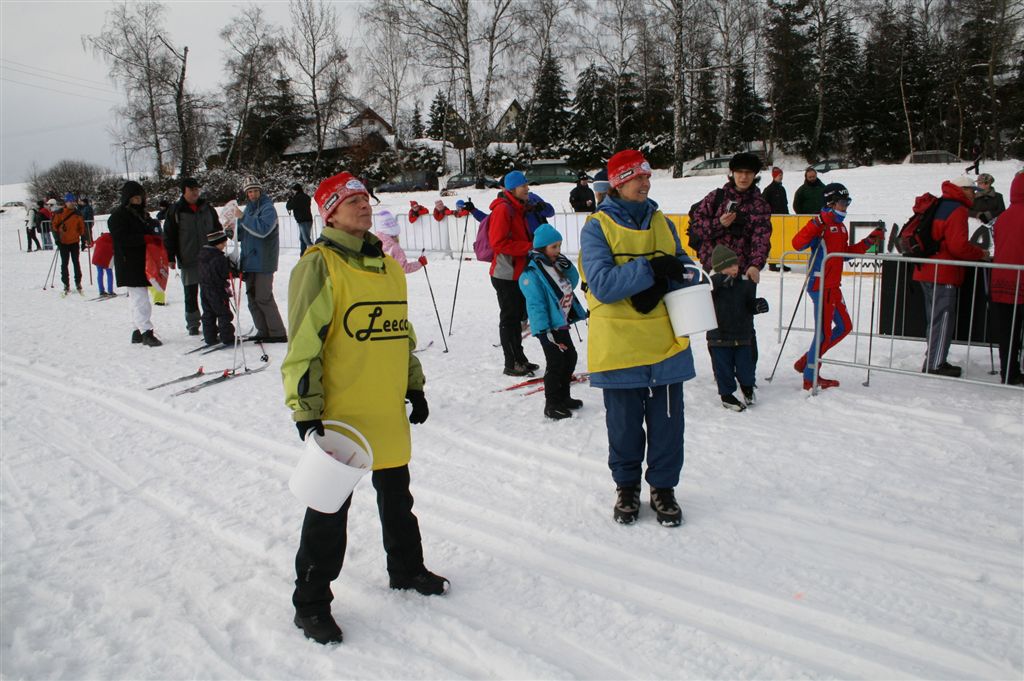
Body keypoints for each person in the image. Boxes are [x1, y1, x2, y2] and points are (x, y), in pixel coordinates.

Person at [281, 171, 448, 646]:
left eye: (364, 199)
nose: (363, 206)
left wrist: (414, 385)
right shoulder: (318, 265)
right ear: (329, 212)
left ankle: (406, 569)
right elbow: (303, 345)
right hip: (341, 412)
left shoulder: (388, 266)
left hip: (385, 407)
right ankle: (311, 603)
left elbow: (400, 332)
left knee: (398, 498)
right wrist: (305, 408)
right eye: (350, 200)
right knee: (328, 511)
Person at [578, 149, 699, 528]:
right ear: (618, 183)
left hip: (666, 341)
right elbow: (602, 284)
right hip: (618, 344)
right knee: (625, 426)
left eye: (647, 176)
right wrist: (651, 269)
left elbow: (682, 266)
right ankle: (627, 487)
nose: (646, 183)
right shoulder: (596, 227)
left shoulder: (662, 221)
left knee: (668, 426)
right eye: (637, 177)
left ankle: (663, 488)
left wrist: (675, 274)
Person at [791, 183, 884, 389]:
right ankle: (810, 377)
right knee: (824, 334)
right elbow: (797, 244)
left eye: (848, 202)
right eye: (842, 202)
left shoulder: (841, 227)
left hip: (833, 286)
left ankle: (806, 361)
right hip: (820, 285)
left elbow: (844, 255)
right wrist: (817, 222)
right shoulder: (821, 223)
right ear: (831, 203)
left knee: (844, 327)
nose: (845, 207)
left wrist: (869, 241)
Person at [688, 152, 772, 368]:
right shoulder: (715, 197)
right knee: (716, 324)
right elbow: (697, 228)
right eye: (739, 172)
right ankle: (722, 374)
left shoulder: (760, 205)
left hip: (743, 273)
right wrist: (720, 224)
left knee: (745, 325)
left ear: (755, 175)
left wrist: (755, 265)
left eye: (748, 173)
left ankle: (747, 375)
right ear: (732, 173)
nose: (743, 177)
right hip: (714, 271)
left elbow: (762, 238)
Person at [913, 175, 988, 377]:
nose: (974, 194)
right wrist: (979, 253)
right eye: (972, 190)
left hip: (926, 269)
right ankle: (935, 363)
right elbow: (958, 246)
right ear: (963, 190)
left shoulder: (939, 204)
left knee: (934, 319)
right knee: (943, 319)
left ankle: (933, 358)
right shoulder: (957, 209)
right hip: (943, 272)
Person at [519, 223, 588, 420]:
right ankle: (552, 404)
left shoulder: (554, 265)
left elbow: (570, 283)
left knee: (570, 357)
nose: (558, 250)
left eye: (559, 246)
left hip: (561, 322)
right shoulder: (532, 274)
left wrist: (568, 267)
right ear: (542, 248)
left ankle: (564, 397)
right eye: (554, 247)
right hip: (549, 327)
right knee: (556, 362)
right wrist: (543, 331)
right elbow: (536, 305)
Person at [489, 170, 540, 376]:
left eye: (527, 184)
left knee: (517, 318)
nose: (527, 188)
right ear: (512, 189)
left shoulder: (518, 208)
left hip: (517, 272)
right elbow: (498, 243)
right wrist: (529, 247)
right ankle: (511, 363)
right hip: (505, 273)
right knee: (510, 319)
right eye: (523, 185)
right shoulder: (504, 209)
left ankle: (520, 359)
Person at [707, 244, 769, 410]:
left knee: (746, 367)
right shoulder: (710, 284)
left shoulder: (743, 283)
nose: (734, 268)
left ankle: (747, 388)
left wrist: (757, 305)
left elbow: (748, 304)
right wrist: (719, 280)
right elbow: (703, 293)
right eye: (729, 266)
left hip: (742, 335)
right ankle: (727, 396)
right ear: (719, 268)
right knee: (723, 370)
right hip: (719, 337)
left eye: (735, 264)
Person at [163, 178, 222, 335]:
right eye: (191, 190)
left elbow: (217, 229)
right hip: (188, 258)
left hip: (209, 258)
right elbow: (169, 235)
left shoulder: (207, 208)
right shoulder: (175, 211)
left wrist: (221, 246)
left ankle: (210, 322)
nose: (195, 192)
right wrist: (170, 256)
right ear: (184, 191)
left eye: (197, 189)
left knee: (210, 292)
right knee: (190, 293)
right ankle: (193, 323)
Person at [107, 181, 163, 346]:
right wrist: (144, 238)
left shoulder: (142, 215)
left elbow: (147, 231)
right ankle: (146, 331)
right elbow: (121, 238)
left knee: (137, 298)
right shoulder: (118, 216)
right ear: (127, 198)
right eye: (135, 198)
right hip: (129, 263)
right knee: (140, 299)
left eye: (140, 197)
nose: (138, 200)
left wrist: (153, 235)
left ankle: (137, 330)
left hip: (143, 261)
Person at [235, 176, 287, 343]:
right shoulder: (248, 210)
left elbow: (263, 230)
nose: (252, 194)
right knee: (252, 299)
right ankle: (263, 330)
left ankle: (277, 332)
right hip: (249, 260)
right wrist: (231, 228)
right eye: (249, 192)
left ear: (260, 191)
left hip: (264, 260)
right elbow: (241, 235)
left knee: (263, 297)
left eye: (255, 190)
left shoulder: (268, 208)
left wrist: (243, 218)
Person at [989, 171, 1024, 385]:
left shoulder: (1002, 217)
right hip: (1021, 279)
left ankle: (1009, 372)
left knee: (1007, 332)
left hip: (1002, 281)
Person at [198, 229, 235, 347]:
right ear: (217, 243)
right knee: (223, 313)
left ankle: (210, 337)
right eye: (223, 243)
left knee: (208, 313)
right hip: (217, 290)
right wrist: (235, 271)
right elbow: (225, 273)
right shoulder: (219, 257)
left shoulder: (202, 255)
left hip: (204, 289)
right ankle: (227, 337)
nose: (224, 246)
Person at [51, 192, 86, 296]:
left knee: (76, 262)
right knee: (64, 263)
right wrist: (57, 239)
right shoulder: (59, 213)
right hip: (63, 242)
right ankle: (66, 283)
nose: (71, 203)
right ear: (65, 202)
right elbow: (54, 227)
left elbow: (82, 228)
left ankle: (78, 282)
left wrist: (83, 240)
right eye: (69, 201)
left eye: (72, 201)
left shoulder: (78, 213)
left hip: (74, 241)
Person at [286, 183, 314, 256]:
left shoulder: (296, 198)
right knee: (303, 238)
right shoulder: (307, 197)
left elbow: (289, 207)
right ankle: (303, 254)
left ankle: (315, 252)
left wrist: (289, 199)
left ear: (296, 190)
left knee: (306, 240)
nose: (293, 192)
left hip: (302, 221)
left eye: (293, 190)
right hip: (309, 219)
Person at [91, 231, 116, 297]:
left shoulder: (100, 238)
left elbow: (93, 243)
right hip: (108, 258)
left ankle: (101, 291)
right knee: (109, 273)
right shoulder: (114, 241)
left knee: (100, 273)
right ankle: (110, 291)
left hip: (97, 258)